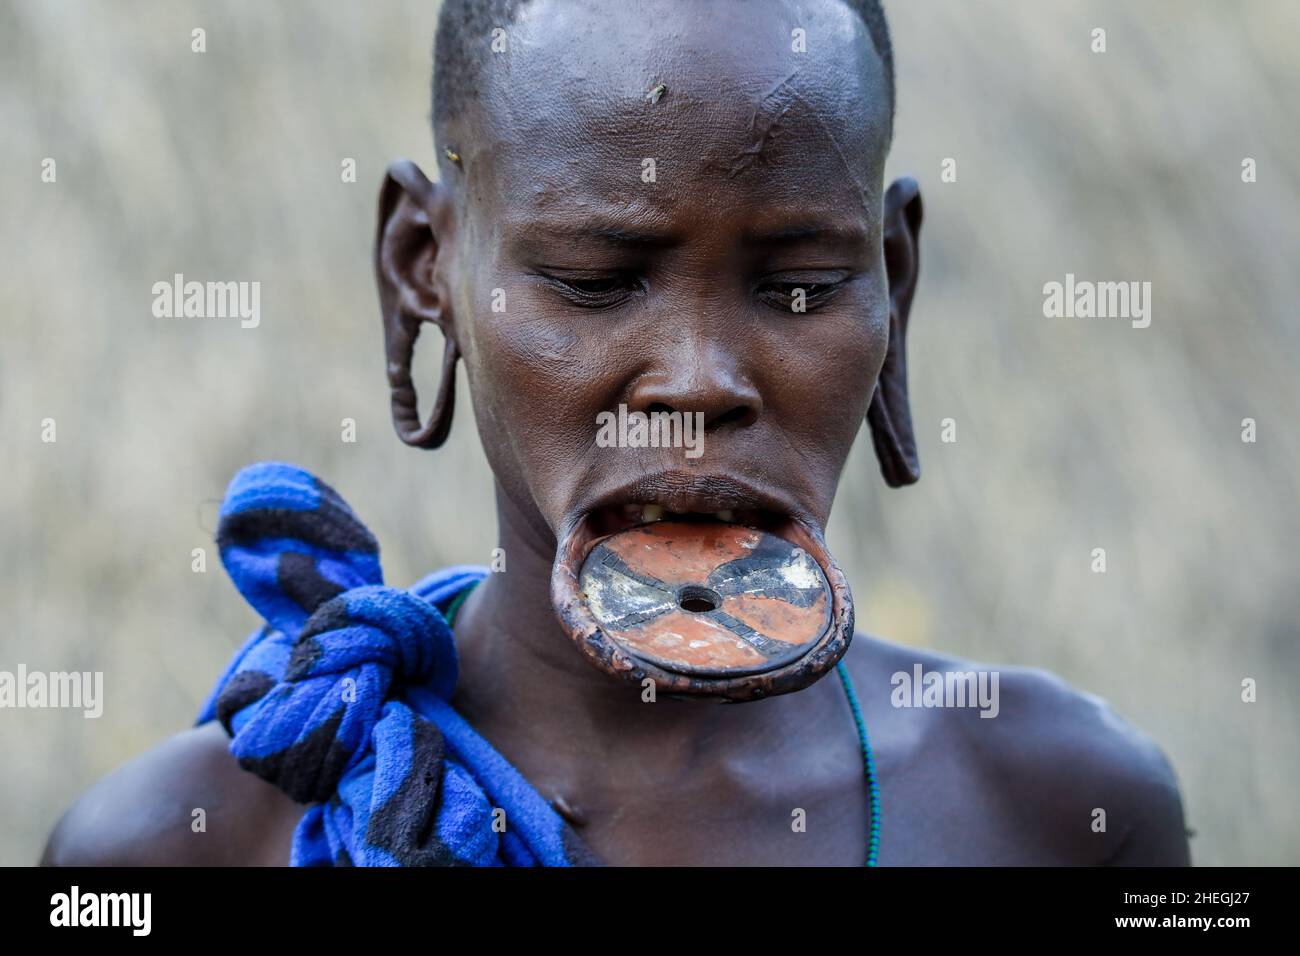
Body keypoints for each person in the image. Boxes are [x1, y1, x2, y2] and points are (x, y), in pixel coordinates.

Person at [42, 0, 1191, 866]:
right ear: (422, 271)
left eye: (797, 286)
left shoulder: (1062, 806)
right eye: (595, 280)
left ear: (893, 286)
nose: (698, 382)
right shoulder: (187, 843)